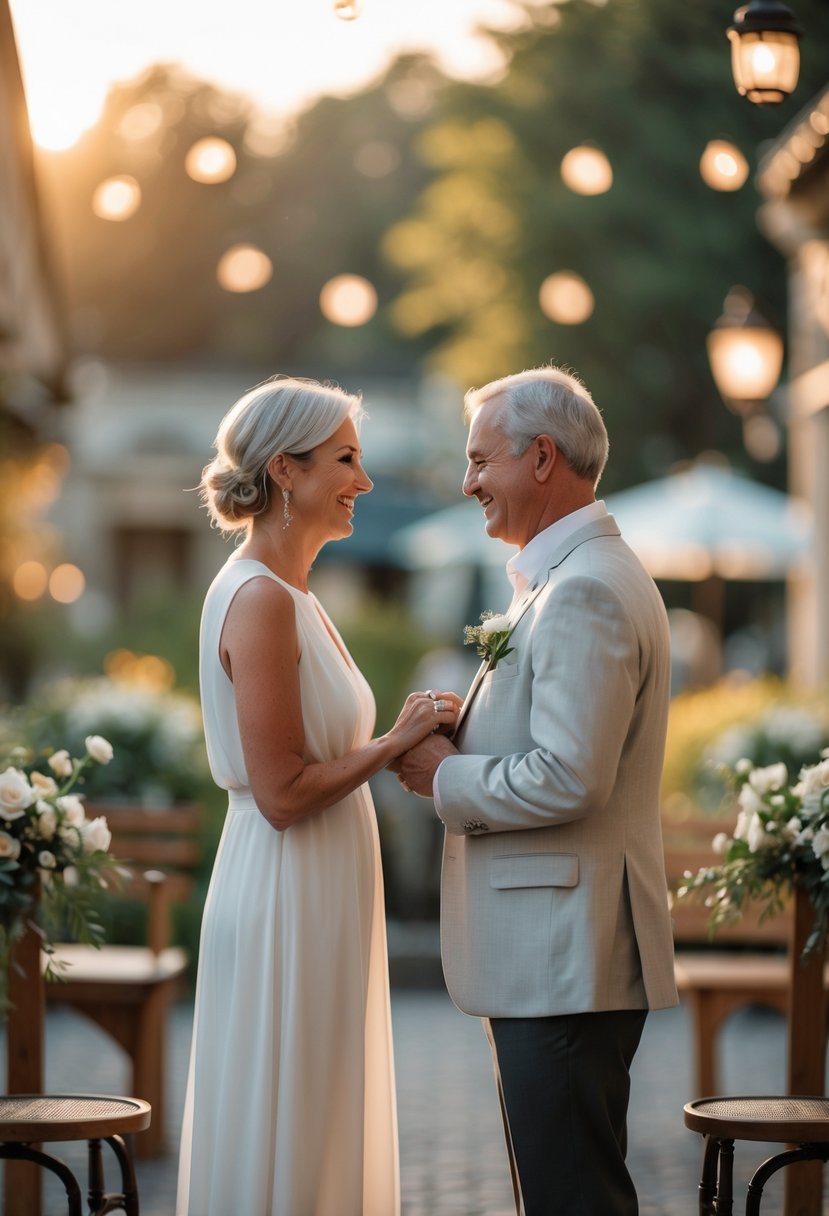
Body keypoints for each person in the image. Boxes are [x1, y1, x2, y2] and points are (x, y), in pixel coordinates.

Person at [395, 365, 678, 1216]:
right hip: (560, 954)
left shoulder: (583, 588)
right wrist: (470, 726)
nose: (467, 481)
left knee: (572, 1198)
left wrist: (442, 775)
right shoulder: (569, 579)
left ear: (543, 457)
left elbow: (571, 775)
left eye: (481, 460)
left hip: (563, 959)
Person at [176, 375, 461, 1216]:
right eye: (347, 460)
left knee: (321, 1108)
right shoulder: (260, 599)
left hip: (322, 889)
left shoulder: (296, 595)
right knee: (290, 1114)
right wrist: (394, 743)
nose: (363, 482)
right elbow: (282, 792)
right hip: (284, 888)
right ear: (286, 472)